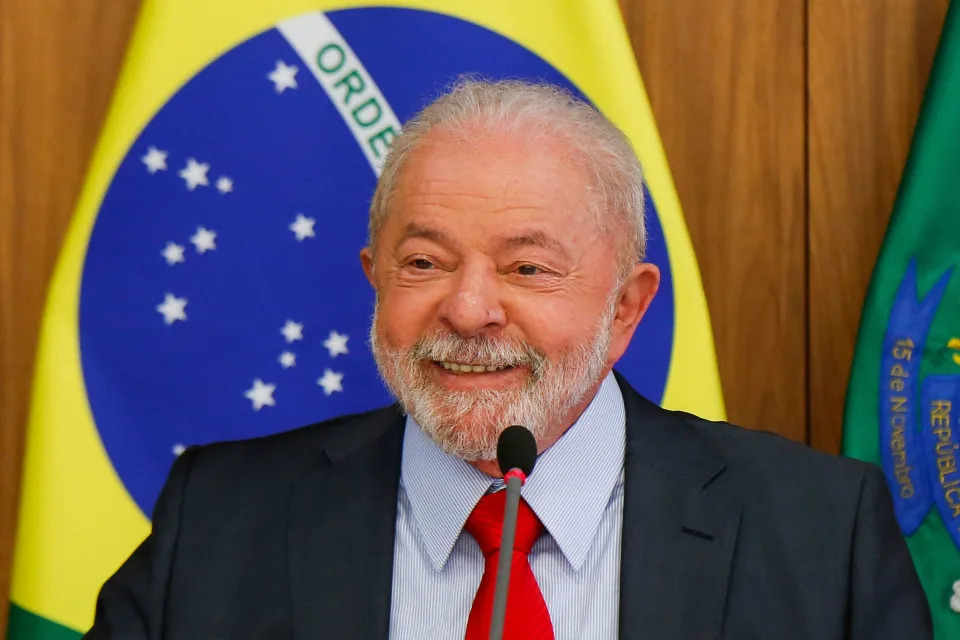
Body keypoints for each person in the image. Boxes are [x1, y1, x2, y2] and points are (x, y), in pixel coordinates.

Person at [84, 79, 931, 639]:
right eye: (424, 263)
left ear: (627, 307)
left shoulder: (823, 534)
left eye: (528, 268)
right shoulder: (220, 523)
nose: (469, 308)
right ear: (374, 280)